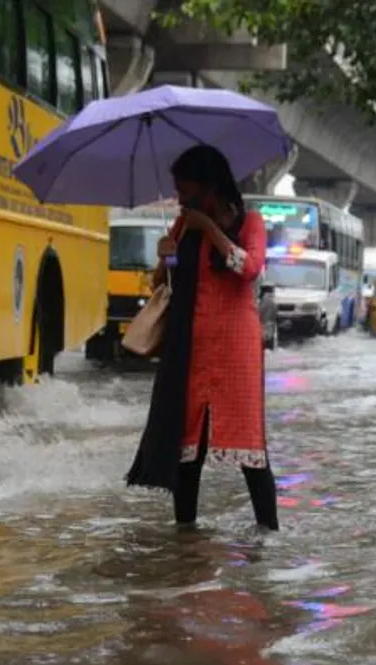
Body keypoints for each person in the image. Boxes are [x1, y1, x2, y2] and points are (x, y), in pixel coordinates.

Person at [125, 145, 279, 531]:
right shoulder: (180, 226)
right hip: (191, 346)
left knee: (248, 444)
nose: (180, 199)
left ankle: (268, 534)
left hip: (236, 348)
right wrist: (164, 258)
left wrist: (208, 228)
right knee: (187, 443)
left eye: (186, 189)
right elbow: (163, 283)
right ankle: (185, 536)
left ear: (209, 188)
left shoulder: (250, 222)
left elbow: (249, 268)